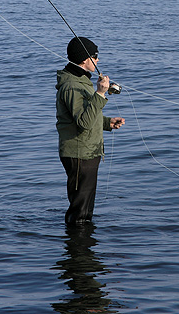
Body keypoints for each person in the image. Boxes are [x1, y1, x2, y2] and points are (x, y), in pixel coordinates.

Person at [56, 36, 125, 224]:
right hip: (80, 154)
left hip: (87, 152)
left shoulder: (80, 79)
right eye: (95, 56)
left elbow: (85, 116)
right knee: (80, 210)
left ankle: (83, 246)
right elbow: (83, 123)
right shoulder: (71, 86)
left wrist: (107, 123)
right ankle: (78, 248)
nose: (98, 60)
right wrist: (101, 93)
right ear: (85, 59)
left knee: (85, 209)